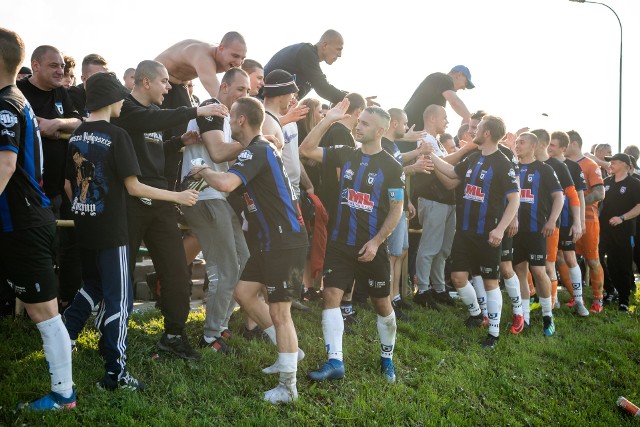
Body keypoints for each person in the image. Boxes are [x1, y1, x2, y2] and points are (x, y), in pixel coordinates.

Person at [62, 72, 198, 391]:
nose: (125, 102)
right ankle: (115, 374)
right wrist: (177, 196)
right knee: (119, 300)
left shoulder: (77, 135)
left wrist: (87, 212)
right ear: (110, 98)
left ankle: (64, 337)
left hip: (86, 226)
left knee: (92, 284)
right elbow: (135, 187)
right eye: (121, 97)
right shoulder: (116, 134)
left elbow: (70, 184)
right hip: (112, 231)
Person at [192, 96, 308, 403]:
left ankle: (288, 386)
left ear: (241, 120)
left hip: (285, 240)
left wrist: (203, 171)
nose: (229, 125)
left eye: (231, 119)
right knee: (244, 293)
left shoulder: (257, 149)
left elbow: (228, 183)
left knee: (280, 313)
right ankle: (291, 353)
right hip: (272, 241)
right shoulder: (260, 149)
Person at [111, 60, 228, 360]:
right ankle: (113, 337)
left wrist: (178, 141)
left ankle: (174, 336)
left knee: (177, 272)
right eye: (164, 82)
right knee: (120, 275)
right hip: (131, 200)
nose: (168, 88)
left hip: (160, 198)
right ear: (145, 82)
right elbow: (149, 124)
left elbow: (151, 145)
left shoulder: (149, 116)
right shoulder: (124, 109)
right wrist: (197, 111)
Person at [300, 100, 406, 383]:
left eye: (365, 124)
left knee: (382, 304)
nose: (358, 127)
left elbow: (397, 210)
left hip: (372, 247)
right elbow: (305, 150)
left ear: (381, 130)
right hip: (339, 243)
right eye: (358, 122)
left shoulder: (393, 167)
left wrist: (376, 242)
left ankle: (387, 359)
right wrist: (328, 120)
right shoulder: (346, 154)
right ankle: (335, 361)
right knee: (331, 296)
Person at [0, 27, 75, 410]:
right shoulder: (18, 99)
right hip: (24, 220)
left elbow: (6, 164)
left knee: (44, 312)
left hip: (24, 222)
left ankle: (63, 394)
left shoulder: (6, 104)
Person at [427, 115, 520, 349]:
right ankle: (477, 313)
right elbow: (451, 172)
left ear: (487, 133)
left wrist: (500, 229)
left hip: (487, 233)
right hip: (465, 232)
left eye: (477, 128)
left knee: (490, 282)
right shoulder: (473, 157)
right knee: (458, 278)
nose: (473, 132)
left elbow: (515, 199)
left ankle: (494, 333)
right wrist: (430, 155)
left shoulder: (502, 163)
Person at [180, 67, 251, 353]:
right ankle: (211, 336)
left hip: (219, 197)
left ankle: (219, 323)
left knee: (243, 258)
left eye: (248, 91)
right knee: (225, 267)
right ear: (223, 87)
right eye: (240, 89)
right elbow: (219, 153)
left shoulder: (227, 118)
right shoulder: (211, 110)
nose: (244, 95)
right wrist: (252, 142)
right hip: (204, 197)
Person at [511, 132, 563, 337]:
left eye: (521, 142)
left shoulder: (544, 169)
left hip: (536, 229)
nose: (517, 145)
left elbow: (559, 197)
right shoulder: (511, 168)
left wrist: (551, 221)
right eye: (516, 142)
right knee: (519, 271)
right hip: (514, 230)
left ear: (533, 146)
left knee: (539, 271)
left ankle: (547, 315)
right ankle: (524, 315)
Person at [383, 108, 430, 319]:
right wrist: (416, 164)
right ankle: (388, 300)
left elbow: (397, 167)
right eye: (404, 124)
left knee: (401, 252)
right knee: (392, 255)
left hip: (400, 204)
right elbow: (388, 172)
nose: (405, 127)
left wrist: (408, 200)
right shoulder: (382, 144)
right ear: (394, 123)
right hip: (390, 207)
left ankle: (396, 297)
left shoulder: (391, 145)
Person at [413, 105, 458, 310]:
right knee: (430, 247)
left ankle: (439, 288)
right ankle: (422, 291)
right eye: (444, 117)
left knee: (443, 249)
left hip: (447, 201)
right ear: (432, 118)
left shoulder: (436, 140)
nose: (447, 122)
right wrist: (465, 154)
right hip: (432, 199)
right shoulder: (424, 139)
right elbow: (445, 174)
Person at [541, 130, 589, 316]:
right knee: (553, 260)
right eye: (548, 144)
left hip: (567, 219)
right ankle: (552, 300)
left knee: (570, 257)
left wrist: (579, 221)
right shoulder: (542, 165)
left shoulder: (571, 167)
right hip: (549, 220)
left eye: (552, 145)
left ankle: (579, 300)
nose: (549, 148)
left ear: (563, 147)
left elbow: (578, 195)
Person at [264, 30, 376, 106]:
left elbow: (323, 85)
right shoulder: (306, 52)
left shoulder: (310, 61)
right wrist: (356, 101)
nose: (340, 55)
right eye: (338, 49)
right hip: (259, 99)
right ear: (325, 45)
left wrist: (355, 99)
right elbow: (323, 88)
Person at [565, 130, 606, 313]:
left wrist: (576, 204)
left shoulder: (590, 165)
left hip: (588, 219)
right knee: (565, 258)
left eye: (565, 143)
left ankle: (598, 299)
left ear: (573, 144)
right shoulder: (562, 165)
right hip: (565, 219)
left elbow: (599, 193)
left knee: (592, 260)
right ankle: (576, 296)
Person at [599, 153, 640, 311]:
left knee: (621, 265)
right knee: (598, 258)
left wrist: (622, 218)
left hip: (624, 230)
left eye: (614, 162)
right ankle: (610, 289)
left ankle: (624, 299)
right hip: (604, 230)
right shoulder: (606, 182)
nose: (610, 165)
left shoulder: (634, 183)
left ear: (625, 164)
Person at [154, 32, 247, 99]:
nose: (238, 63)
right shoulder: (204, 58)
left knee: (186, 123)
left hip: (179, 84)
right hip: (155, 80)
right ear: (221, 48)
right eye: (235, 56)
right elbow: (219, 97)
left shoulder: (225, 58)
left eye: (242, 58)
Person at [404, 66, 474, 131]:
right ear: (459, 75)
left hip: (411, 131)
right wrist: (470, 119)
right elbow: (455, 102)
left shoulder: (439, 86)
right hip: (408, 132)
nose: (464, 88)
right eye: (466, 83)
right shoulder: (444, 78)